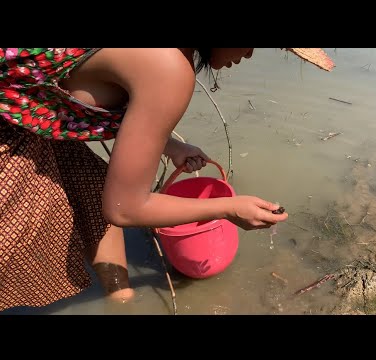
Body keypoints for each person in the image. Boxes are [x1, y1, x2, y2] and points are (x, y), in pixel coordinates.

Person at [0, 48, 335, 311]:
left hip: (26, 121)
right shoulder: (168, 68)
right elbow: (125, 209)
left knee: (95, 185)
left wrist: (170, 145)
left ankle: (121, 302)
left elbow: (80, 90)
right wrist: (230, 208)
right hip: (10, 135)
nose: (248, 54)